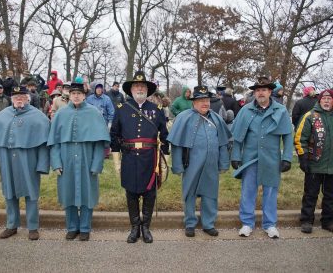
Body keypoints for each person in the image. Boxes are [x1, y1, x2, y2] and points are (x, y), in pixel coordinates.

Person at [110, 71, 169, 243]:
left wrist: (165, 163)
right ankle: (135, 227)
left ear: (147, 89)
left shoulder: (157, 110)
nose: (140, 88)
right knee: (131, 194)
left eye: (143, 86)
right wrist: (116, 162)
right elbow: (114, 136)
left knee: (150, 194)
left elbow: (164, 137)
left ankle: (146, 228)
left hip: (150, 159)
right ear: (131, 89)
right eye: (136, 86)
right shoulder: (122, 109)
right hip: (129, 158)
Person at [47, 80, 110, 241]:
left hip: (87, 159)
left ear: (84, 96)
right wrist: (56, 163)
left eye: (79, 94)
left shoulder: (94, 113)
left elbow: (99, 143)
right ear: (69, 95)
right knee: (68, 193)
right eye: (73, 93)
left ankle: (85, 228)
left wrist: (97, 164)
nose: (76, 96)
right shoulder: (60, 114)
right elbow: (53, 142)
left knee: (87, 194)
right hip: (66, 159)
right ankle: (72, 227)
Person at [230, 77, 293, 239]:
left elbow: (287, 136)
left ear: (270, 91)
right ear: (255, 93)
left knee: (271, 191)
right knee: (247, 191)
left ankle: (270, 224)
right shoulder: (245, 110)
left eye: (264, 90)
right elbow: (237, 136)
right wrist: (236, 156)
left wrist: (287, 157)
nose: (260, 93)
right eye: (257, 90)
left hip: (272, 158)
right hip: (250, 158)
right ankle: (247, 223)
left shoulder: (281, 110)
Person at [0, 86, 50, 240]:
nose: (19, 99)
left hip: (29, 160)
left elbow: (43, 145)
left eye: (22, 96)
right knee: (9, 192)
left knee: (31, 193)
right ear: (11, 99)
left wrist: (42, 165)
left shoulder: (38, 117)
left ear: (28, 97)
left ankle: (33, 227)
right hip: (6, 158)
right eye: (16, 96)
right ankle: (11, 225)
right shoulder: (1, 116)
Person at [168, 85, 231, 237]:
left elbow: (223, 143)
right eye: (201, 100)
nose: (205, 103)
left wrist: (223, 163)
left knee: (210, 194)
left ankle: (208, 224)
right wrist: (177, 166)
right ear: (194, 102)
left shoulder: (216, 118)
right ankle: (190, 223)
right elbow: (176, 145)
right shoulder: (183, 118)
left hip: (211, 165)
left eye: (207, 100)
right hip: (191, 165)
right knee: (189, 194)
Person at [294, 89, 333, 234]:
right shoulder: (310, 116)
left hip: (332, 166)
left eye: (330, 99)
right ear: (319, 100)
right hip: (314, 164)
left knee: (330, 195)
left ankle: (328, 221)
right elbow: (299, 138)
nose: (327, 101)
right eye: (324, 99)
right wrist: (303, 158)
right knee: (310, 194)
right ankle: (306, 220)